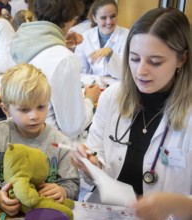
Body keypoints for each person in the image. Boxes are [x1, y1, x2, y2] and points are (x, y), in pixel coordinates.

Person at [71, 7, 192, 199]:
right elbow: (97, 168)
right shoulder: (111, 98)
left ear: (181, 59)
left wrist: (173, 206)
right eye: (134, 58)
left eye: (154, 61)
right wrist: (91, 166)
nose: (140, 71)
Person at [0, 64, 80, 216]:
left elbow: (72, 183)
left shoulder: (60, 143)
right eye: (24, 110)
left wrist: (63, 191)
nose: (34, 116)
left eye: (41, 107)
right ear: (6, 110)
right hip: (4, 212)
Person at [10, 0, 102, 142]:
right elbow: (72, 126)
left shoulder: (20, 44)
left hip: (24, 139)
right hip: (55, 148)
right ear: (70, 19)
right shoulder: (64, 59)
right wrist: (90, 99)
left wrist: (60, 39)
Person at [74, 0, 129, 78]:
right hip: (93, 85)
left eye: (113, 16)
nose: (109, 22)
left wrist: (110, 54)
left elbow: (124, 73)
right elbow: (81, 71)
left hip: (118, 86)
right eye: (103, 18)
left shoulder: (127, 36)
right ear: (95, 18)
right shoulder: (85, 37)